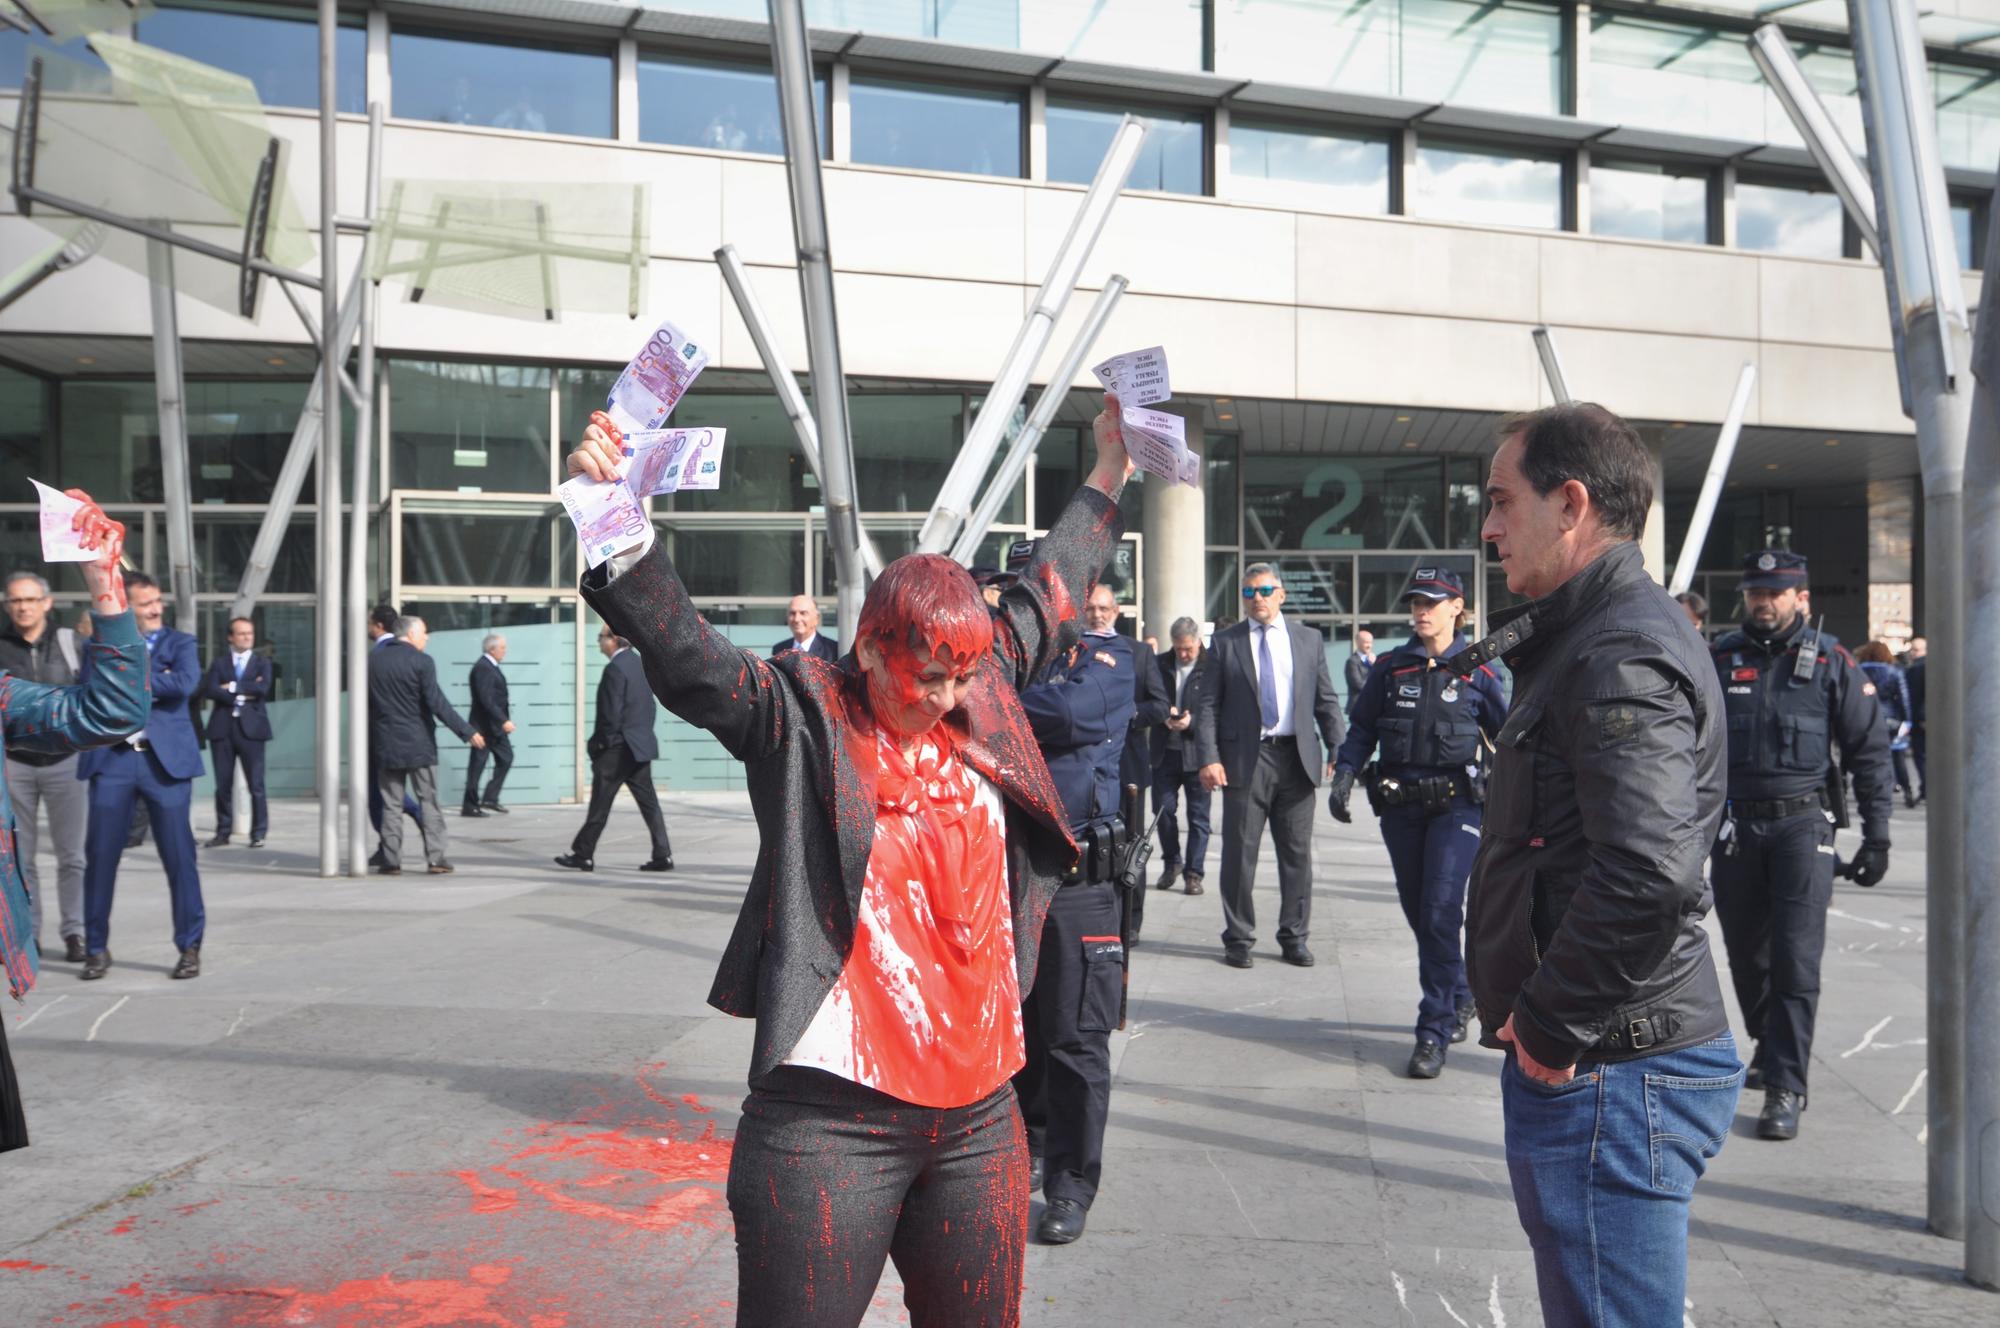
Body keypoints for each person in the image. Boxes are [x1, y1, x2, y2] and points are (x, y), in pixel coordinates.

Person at [567, 388, 1130, 1327]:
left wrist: (1111, 464)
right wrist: (616, 517)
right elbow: (691, 660)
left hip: (982, 1118)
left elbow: (1053, 588)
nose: (950, 696)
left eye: (964, 673)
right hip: (829, 1123)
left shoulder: (980, 687)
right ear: (869, 647)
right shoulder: (800, 714)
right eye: (928, 674)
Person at [1461, 403, 1740, 1327]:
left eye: (1504, 502)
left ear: (1571, 502)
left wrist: (1547, 1029)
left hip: (1610, 1069)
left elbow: (1647, 870)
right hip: (1609, 1060)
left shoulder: (1617, 647)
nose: (1491, 527)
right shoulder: (1596, 632)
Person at [1708, 550, 1894, 1140]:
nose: (1762, 602)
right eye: (1755, 593)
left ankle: (1787, 1086)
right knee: (1745, 955)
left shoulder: (1832, 661)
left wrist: (1877, 836)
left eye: (1775, 593)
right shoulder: (1722, 659)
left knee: (1795, 959)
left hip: (1802, 828)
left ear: (1800, 598)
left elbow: (1869, 753)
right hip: (1735, 829)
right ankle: (1768, 1042)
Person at [0, 493, 146, 1151]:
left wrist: (103, 582)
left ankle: (79, 933)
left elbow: (111, 712)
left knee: (70, 855)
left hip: (52, 766)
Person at [1329, 568, 1505, 1079]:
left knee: (1440, 910)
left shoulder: (1481, 670)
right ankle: (1460, 990)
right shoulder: (1391, 666)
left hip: (1458, 809)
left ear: (1457, 608)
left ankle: (1433, 1029)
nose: (1422, 611)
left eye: (1433, 602)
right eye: (1416, 603)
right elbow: (1361, 728)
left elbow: (1512, 735)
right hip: (1401, 809)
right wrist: (1343, 775)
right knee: (1420, 912)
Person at [1014, 574, 1136, 1247]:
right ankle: (1027, 1150)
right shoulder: (1010, 666)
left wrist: (989, 698)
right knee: (1018, 1034)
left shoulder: (1108, 662)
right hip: (1009, 878)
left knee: (1074, 1039)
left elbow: (1068, 715)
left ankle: (1070, 1183)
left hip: (1078, 880)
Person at [1190, 564, 1344, 969]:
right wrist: (1208, 756)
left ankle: (1294, 937)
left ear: (1281, 594)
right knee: (1240, 854)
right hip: (1246, 760)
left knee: (1297, 856)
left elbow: (1326, 699)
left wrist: (1338, 749)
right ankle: (1238, 938)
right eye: (1249, 591)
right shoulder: (1224, 643)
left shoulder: (1309, 640)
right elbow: (1206, 705)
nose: (1257, 597)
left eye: (1265, 589)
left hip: (1296, 759)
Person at [79, 572, 208, 982]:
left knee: (179, 858)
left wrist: (132, 680)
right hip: (112, 761)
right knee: (100, 858)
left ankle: (190, 947)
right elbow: (92, 690)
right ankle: (95, 949)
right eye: (145, 603)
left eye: (157, 602)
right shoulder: (98, 647)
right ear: (124, 607)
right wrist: (154, 681)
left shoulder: (180, 643)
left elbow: (187, 683)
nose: (155, 609)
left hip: (164, 764)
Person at [0, 572, 90, 961]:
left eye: (31, 599)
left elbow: (94, 696)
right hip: (14, 764)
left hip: (66, 762)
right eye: (16, 600)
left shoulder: (71, 644)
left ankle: (75, 932)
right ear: (7, 605)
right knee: (22, 858)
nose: (23, 607)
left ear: (47, 603)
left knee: (72, 855)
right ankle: (28, 934)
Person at [368, 615, 482, 876]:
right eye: (424, 632)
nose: (427, 637)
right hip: (419, 744)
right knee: (428, 801)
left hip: (386, 743)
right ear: (409, 635)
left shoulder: (373, 661)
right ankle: (436, 858)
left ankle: (391, 860)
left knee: (391, 805)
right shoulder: (422, 661)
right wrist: (466, 732)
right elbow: (436, 702)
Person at [555, 627, 674, 873]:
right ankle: (663, 855)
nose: (598, 642)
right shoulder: (641, 665)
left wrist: (599, 746)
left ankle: (583, 854)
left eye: (601, 638)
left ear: (613, 640)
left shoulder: (614, 669)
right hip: (639, 747)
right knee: (649, 804)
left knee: (600, 803)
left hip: (618, 750)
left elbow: (610, 715)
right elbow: (651, 707)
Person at [198, 617, 273, 848]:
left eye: (249, 633)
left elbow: (263, 688)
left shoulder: (262, 662)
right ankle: (223, 832)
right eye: (241, 634)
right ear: (230, 637)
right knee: (223, 785)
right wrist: (244, 691)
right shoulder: (220, 663)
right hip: (223, 729)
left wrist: (230, 687)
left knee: (256, 785)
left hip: (252, 730)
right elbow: (210, 689)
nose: (247, 637)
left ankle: (258, 833)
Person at [1152, 617, 1214, 895]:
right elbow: (1150, 700)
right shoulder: (1159, 664)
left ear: (1198, 641)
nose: (1183, 654)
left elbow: (1220, 709)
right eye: (1178, 649)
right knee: (1162, 811)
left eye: (1188, 648)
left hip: (1198, 753)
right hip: (1165, 752)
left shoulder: (1212, 665)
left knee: (1199, 817)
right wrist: (1162, 716)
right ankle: (1172, 862)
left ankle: (1194, 873)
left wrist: (1193, 721)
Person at [1855, 641, 1918, 808]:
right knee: (1898, 758)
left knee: (1867, 757)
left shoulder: (1857, 671)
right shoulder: (1894, 672)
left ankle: (1869, 792)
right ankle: (1907, 791)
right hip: (1891, 720)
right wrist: (1907, 721)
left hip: (1865, 719)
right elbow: (1904, 699)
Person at [462, 633, 514, 817]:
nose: (505, 651)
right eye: (502, 648)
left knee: (506, 758)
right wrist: (503, 720)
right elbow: (486, 699)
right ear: (492, 649)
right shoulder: (483, 668)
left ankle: (490, 798)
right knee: (477, 766)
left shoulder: (491, 666)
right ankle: (469, 805)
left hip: (495, 729)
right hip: (484, 728)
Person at [771, 595, 838, 661]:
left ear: (817, 618)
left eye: (803, 613)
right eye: (792, 613)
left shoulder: (833, 650)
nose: (796, 619)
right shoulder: (779, 650)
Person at [1905, 641, 1927, 800]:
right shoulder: (1918, 667)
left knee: (1922, 755)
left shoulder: (1920, 667)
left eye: (1916, 649)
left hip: (1920, 719)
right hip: (1921, 718)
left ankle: (1926, 788)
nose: (1913, 652)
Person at [1344, 627, 1377, 708]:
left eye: (1371, 642)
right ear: (1357, 642)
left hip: (1371, 705)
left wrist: (1375, 665)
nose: (1369, 645)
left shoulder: (1373, 660)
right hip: (1358, 706)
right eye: (1366, 642)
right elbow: (1358, 685)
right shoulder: (1352, 662)